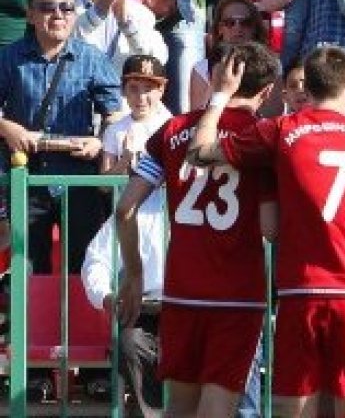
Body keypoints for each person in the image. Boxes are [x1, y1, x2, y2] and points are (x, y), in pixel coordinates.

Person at [187, 46, 345, 418]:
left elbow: (199, 153)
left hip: (301, 288)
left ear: (307, 89)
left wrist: (220, 95)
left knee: (296, 407)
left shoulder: (282, 131)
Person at [115, 42, 281, 417]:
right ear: (267, 91)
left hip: (182, 291)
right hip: (237, 296)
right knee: (217, 408)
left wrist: (136, 275)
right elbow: (270, 227)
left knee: (180, 407)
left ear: (218, 77)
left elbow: (125, 208)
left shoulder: (172, 129)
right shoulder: (260, 137)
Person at [0, 0, 121, 274]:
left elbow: (115, 115)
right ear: (30, 15)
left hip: (79, 180)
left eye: (67, 8)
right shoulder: (8, 57)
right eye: (47, 7)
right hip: (26, 178)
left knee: (85, 270)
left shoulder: (92, 58)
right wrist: (8, 129)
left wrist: (101, 141)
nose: (58, 14)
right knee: (27, 270)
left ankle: (81, 324)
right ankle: (29, 323)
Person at [82, 183, 166, 418]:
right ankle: (149, 413)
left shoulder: (205, 200)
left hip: (195, 309)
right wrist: (107, 297)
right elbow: (96, 260)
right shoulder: (136, 207)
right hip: (146, 306)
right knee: (129, 343)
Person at [100, 54, 172, 176]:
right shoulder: (114, 130)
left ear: (161, 90)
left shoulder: (172, 127)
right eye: (133, 88)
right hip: (126, 195)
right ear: (123, 90)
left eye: (148, 89)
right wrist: (124, 160)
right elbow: (104, 186)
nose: (141, 97)